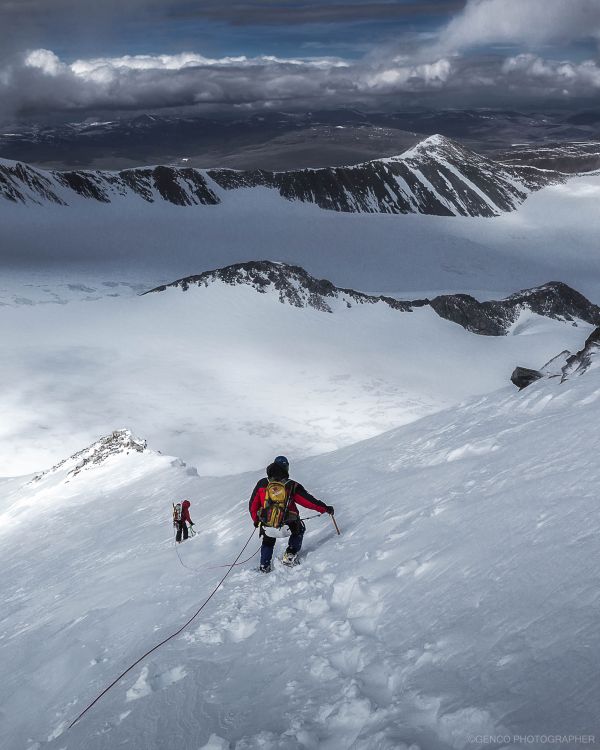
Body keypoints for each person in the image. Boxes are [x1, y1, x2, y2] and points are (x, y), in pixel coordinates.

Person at [248, 455, 334, 572]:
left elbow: (253, 504)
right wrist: (325, 508)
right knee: (299, 529)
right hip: (287, 525)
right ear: (286, 468)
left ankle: (264, 566)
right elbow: (308, 501)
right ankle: (289, 556)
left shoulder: (262, 483)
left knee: (268, 541)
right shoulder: (292, 485)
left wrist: (256, 520)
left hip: (267, 524)